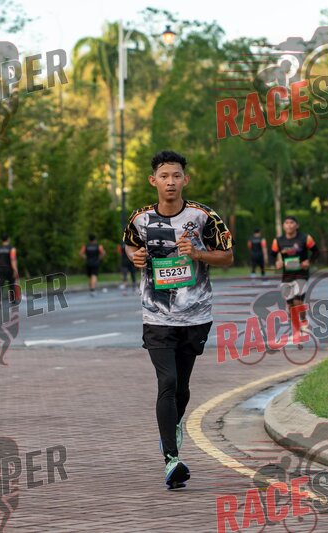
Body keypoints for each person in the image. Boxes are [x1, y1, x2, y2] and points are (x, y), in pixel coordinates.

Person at [123, 150, 233, 490]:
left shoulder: (204, 217)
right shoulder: (140, 218)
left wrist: (198, 253)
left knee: (181, 387)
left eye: (176, 176)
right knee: (167, 381)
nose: (170, 182)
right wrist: (135, 256)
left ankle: (172, 425)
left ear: (185, 179)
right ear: (153, 181)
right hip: (156, 314)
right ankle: (171, 459)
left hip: (195, 314)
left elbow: (228, 256)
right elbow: (129, 245)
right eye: (164, 176)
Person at [270, 216, 319, 338]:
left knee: (297, 300)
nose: (289, 225)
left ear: (297, 225)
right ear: (283, 226)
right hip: (287, 275)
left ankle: (303, 320)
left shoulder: (305, 238)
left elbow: (316, 251)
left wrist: (309, 261)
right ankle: (297, 331)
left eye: (292, 223)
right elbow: (272, 255)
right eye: (286, 223)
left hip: (301, 274)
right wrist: (276, 262)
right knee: (290, 304)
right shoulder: (278, 241)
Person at [0, 234, 19, 305]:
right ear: (8, 239)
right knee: (11, 284)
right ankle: (13, 300)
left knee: (0, 284)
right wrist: (15, 270)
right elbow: (13, 259)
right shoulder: (12, 249)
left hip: (0, 269)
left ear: (1, 240)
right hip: (9, 268)